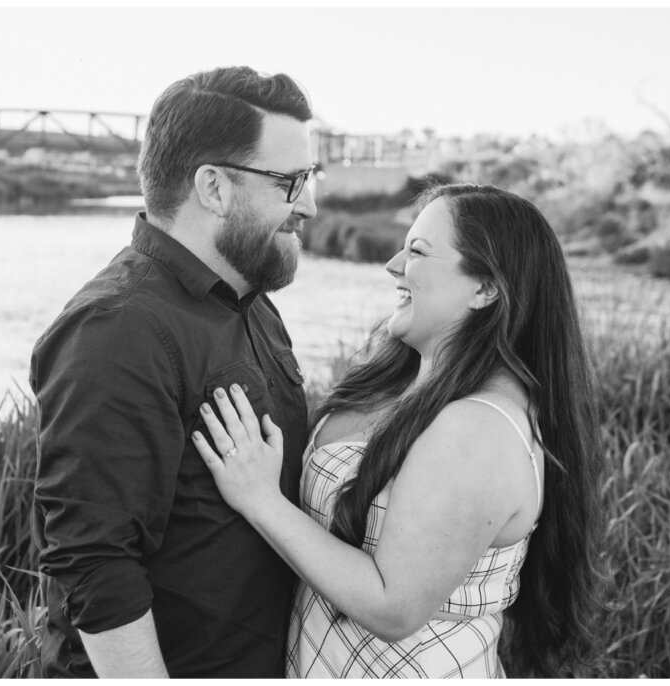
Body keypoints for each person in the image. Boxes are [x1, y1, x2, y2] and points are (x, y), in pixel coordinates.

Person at [193, 183, 604, 677]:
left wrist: (261, 500)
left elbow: (394, 607)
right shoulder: (403, 377)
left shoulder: (480, 428)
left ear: (485, 288)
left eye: (418, 251)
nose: (393, 264)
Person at [30, 66, 318, 678]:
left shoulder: (253, 304)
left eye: (310, 179)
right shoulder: (116, 329)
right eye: (291, 182)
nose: (310, 205)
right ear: (213, 187)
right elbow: (96, 562)